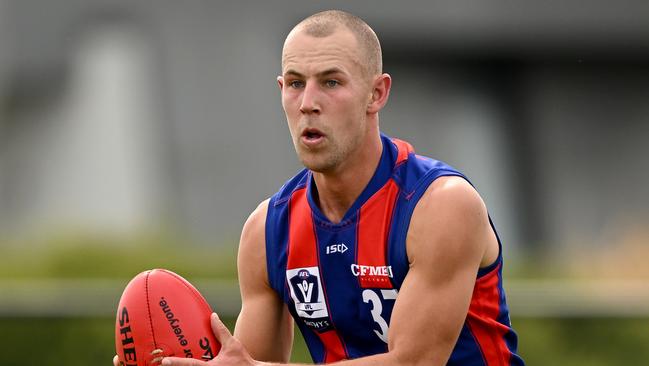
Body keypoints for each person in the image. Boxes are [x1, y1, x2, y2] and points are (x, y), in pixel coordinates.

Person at [114, 9, 524, 366]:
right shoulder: (266, 232)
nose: (308, 102)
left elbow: (414, 363)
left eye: (330, 82)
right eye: (295, 83)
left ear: (376, 93)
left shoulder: (440, 205)